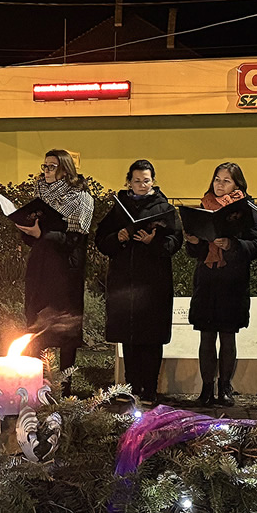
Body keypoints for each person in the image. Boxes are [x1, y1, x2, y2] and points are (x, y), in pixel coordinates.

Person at [94, 159, 180, 404]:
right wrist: (118, 236)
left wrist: (153, 241)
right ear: (128, 181)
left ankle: (150, 389)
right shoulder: (119, 207)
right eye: (137, 181)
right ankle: (130, 387)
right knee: (129, 336)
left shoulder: (164, 209)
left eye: (146, 180)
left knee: (151, 337)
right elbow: (101, 240)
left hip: (153, 283)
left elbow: (175, 243)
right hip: (125, 282)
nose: (142, 185)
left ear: (153, 181)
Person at [182, 162, 257, 407]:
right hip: (207, 280)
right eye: (217, 179)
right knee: (206, 337)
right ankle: (206, 388)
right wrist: (194, 241)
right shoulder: (204, 205)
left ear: (237, 184)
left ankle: (225, 387)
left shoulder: (246, 209)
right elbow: (195, 252)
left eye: (226, 180)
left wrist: (231, 246)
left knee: (228, 336)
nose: (220, 184)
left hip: (232, 282)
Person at [16, 149, 94, 396]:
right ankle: (39, 386)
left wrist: (43, 235)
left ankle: (65, 388)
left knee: (65, 329)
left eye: (52, 167)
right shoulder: (40, 194)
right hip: (40, 269)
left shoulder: (79, 197)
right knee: (38, 325)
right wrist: (27, 231)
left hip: (65, 271)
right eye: (45, 166)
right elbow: (33, 238)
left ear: (65, 169)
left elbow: (74, 238)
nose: (46, 171)